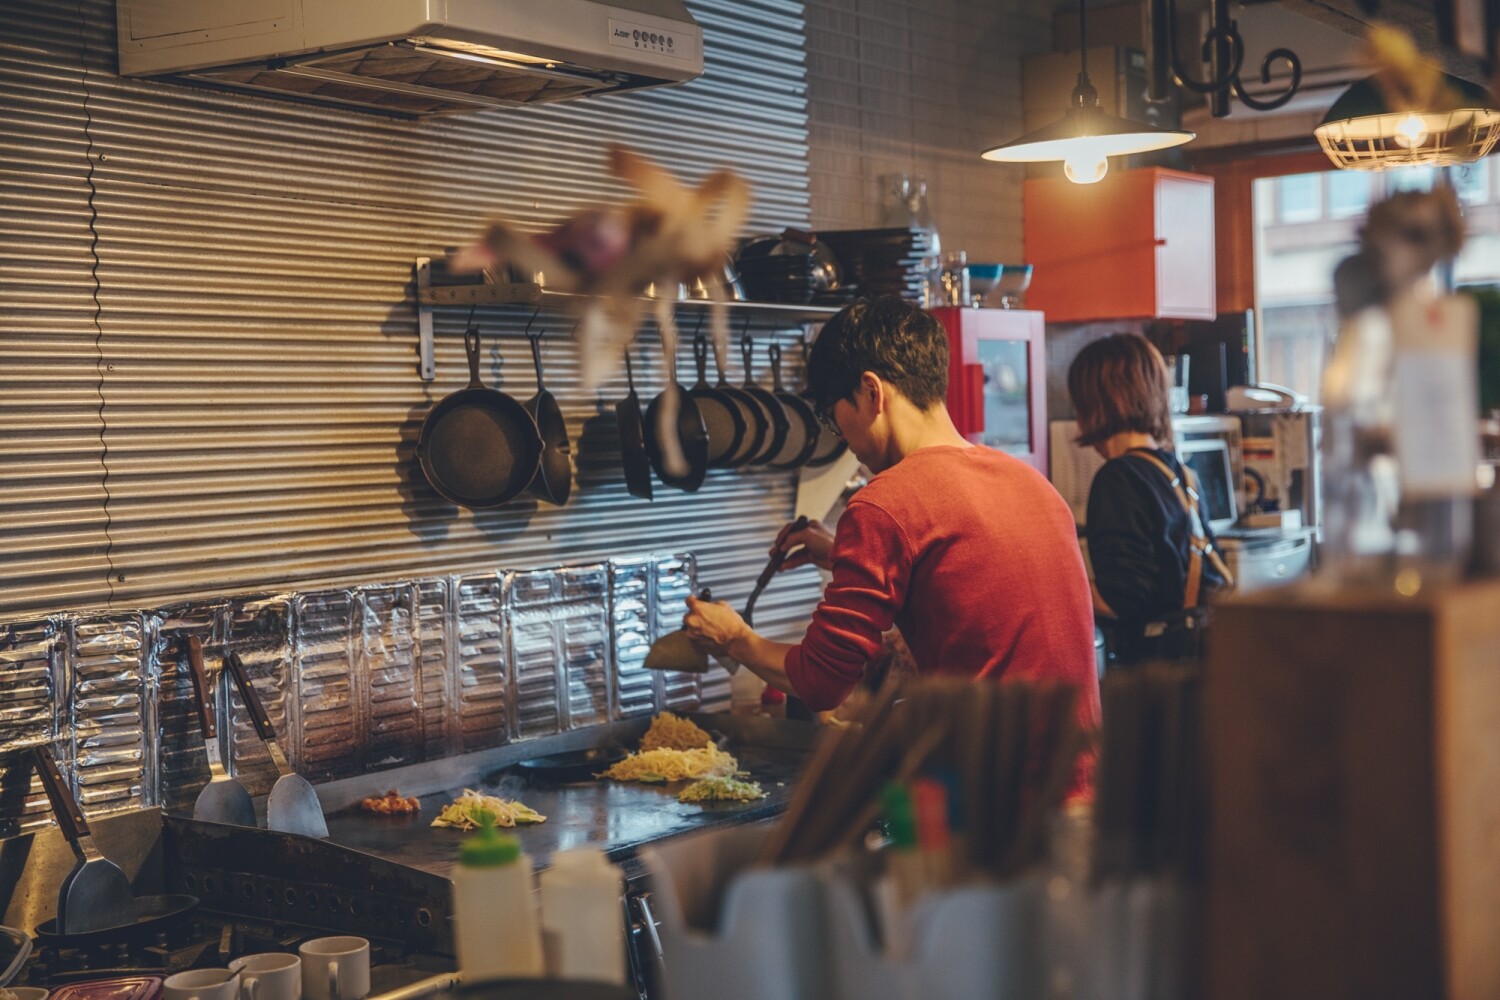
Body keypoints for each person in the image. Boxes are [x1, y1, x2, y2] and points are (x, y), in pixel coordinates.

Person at [682, 296, 1100, 789]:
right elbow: (958, 570)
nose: (844, 440)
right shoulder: (1029, 482)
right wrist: (837, 550)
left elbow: (821, 681)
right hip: (1087, 786)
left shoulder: (883, 504)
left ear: (870, 392)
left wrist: (736, 638)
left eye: (834, 420)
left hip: (1001, 802)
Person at [1066, 332, 1233, 665]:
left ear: (1096, 403)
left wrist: (1058, 585)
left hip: (1160, 668)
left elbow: (1124, 598)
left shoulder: (1118, 478)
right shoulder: (1177, 471)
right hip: (1206, 654)